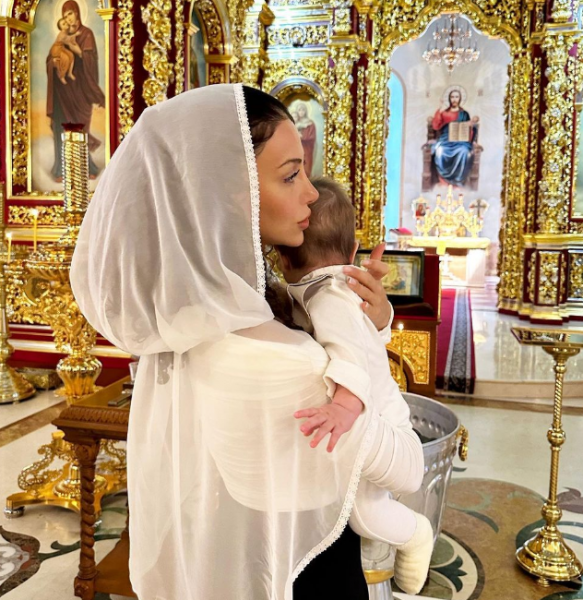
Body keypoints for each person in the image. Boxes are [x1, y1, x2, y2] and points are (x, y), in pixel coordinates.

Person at [70, 84, 424, 600]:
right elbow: (408, 468)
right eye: (291, 175)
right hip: (305, 570)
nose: (311, 193)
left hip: (239, 549)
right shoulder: (282, 361)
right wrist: (367, 339)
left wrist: (367, 324)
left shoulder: (187, 314)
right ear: (232, 193)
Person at [276, 177, 432, 595]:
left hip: (377, 417)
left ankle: (416, 534)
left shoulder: (326, 295)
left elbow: (349, 351)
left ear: (283, 258)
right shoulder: (328, 287)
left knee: (364, 511)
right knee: (360, 510)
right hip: (372, 414)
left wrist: (344, 406)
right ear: (351, 251)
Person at [46, 0, 105, 182]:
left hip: (80, 90)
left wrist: (75, 50)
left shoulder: (86, 34)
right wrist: (53, 63)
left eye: (70, 13)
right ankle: (60, 169)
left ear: (77, 13)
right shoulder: (62, 36)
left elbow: (90, 59)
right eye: (65, 15)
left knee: (79, 127)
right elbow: (51, 57)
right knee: (61, 127)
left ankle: (87, 167)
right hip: (62, 92)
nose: (68, 18)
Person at [431, 88, 476, 187]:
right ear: (449, 98)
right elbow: (435, 126)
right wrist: (440, 109)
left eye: (457, 97)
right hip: (445, 139)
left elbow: (469, 129)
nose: (454, 99)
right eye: (452, 97)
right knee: (440, 151)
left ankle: (458, 181)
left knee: (464, 151)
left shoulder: (464, 114)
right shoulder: (444, 113)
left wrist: (471, 126)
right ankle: (444, 181)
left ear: (460, 99)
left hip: (461, 140)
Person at [49, 18, 79, 85]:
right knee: (66, 58)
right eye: (63, 24)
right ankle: (61, 75)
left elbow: (69, 38)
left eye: (65, 22)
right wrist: (75, 35)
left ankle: (69, 73)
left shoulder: (66, 31)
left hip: (61, 48)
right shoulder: (62, 33)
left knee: (71, 55)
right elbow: (67, 39)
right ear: (61, 28)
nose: (66, 24)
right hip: (56, 49)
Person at [293, 101, 317, 178]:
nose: (301, 112)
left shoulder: (310, 123)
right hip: (296, 149)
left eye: (303, 110)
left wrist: (302, 137)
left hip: (306, 149)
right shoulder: (294, 122)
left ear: (306, 111)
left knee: (305, 169)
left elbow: (312, 137)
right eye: (299, 110)